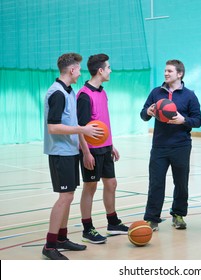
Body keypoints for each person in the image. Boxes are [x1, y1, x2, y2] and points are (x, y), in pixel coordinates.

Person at [43, 53, 104, 260]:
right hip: (60, 153)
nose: (80, 72)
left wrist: (83, 145)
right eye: (78, 69)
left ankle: (62, 238)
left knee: (68, 197)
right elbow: (53, 127)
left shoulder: (69, 92)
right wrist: (82, 130)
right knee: (65, 197)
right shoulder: (57, 93)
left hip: (70, 152)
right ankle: (50, 245)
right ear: (71, 70)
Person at [140, 59, 201, 231]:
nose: (166, 73)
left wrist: (184, 120)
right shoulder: (156, 93)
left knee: (181, 183)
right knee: (156, 183)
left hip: (181, 146)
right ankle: (152, 218)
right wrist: (148, 112)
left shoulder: (189, 95)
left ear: (180, 74)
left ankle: (178, 214)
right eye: (165, 71)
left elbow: (198, 120)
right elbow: (143, 114)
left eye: (170, 71)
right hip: (159, 146)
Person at [77, 54, 128, 244]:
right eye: (108, 68)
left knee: (111, 184)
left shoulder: (102, 92)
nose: (110, 71)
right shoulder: (83, 95)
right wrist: (87, 153)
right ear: (100, 70)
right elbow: (80, 128)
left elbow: (102, 122)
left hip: (105, 148)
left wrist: (111, 145)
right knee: (90, 187)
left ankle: (112, 223)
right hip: (91, 150)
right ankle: (87, 228)